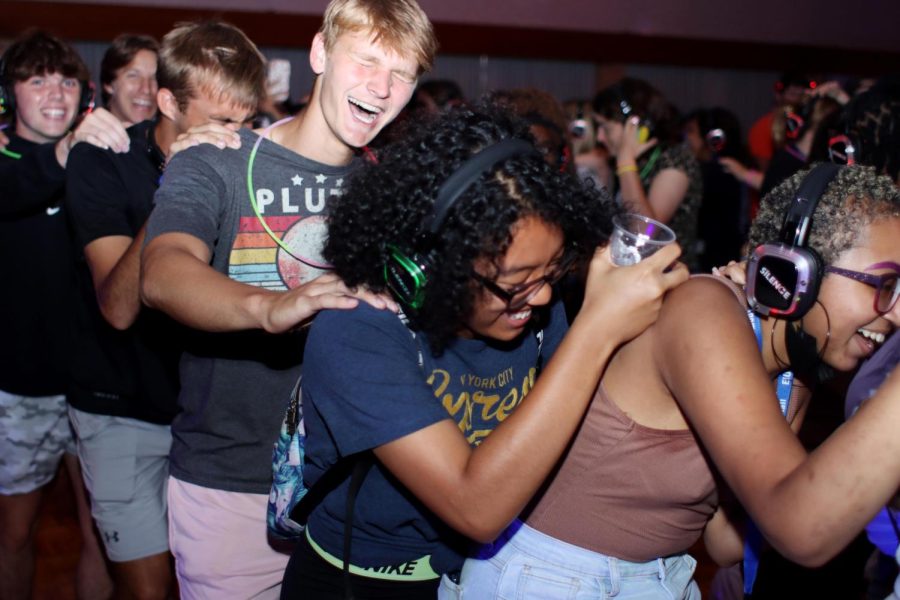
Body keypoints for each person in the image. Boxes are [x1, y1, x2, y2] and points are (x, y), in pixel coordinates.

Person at [278, 104, 687, 599]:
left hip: (482, 576)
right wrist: (595, 330)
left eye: (552, 272)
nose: (539, 297)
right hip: (360, 583)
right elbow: (476, 508)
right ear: (434, 265)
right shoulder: (356, 333)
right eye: (515, 284)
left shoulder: (535, 310)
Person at [459, 163, 900, 598]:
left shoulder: (792, 371)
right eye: (885, 284)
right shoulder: (702, 309)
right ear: (797, 272)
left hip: (657, 577)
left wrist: (793, 385)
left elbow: (724, 544)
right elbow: (803, 528)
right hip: (551, 577)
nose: (896, 313)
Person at [140, 2, 438, 597]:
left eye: (402, 74)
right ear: (321, 54)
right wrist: (275, 308)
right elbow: (163, 272)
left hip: (354, 493)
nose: (381, 89)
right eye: (368, 61)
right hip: (233, 483)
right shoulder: (218, 158)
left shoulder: (399, 187)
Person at [64, 20, 253, 599]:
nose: (235, 137)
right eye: (221, 123)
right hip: (119, 409)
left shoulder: (243, 161)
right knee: (146, 589)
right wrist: (177, 189)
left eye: (243, 123)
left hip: (204, 417)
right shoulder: (103, 162)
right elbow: (119, 307)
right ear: (169, 103)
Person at [0, 29, 129, 600]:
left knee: (102, 534)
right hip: (20, 390)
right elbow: (15, 186)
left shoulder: (96, 162)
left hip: (96, 385)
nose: (56, 92)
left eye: (67, 79)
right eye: (37, 80)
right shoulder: (10, 159)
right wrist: (65, 149)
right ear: (11, 95)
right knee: (15, 531)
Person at [593, 78, 703, 271]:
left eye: (606, 128)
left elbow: (646, 231)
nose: (599, 137)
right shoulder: (629, 161)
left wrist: (626, 163)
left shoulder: (676, 161)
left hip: (671, 283)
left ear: (636, 127)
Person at [100, 33, 159, 126]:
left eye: (155, 78)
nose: (146, 89)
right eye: (134, 76)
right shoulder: (85, 137)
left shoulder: (174, 139)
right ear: (109, 84)